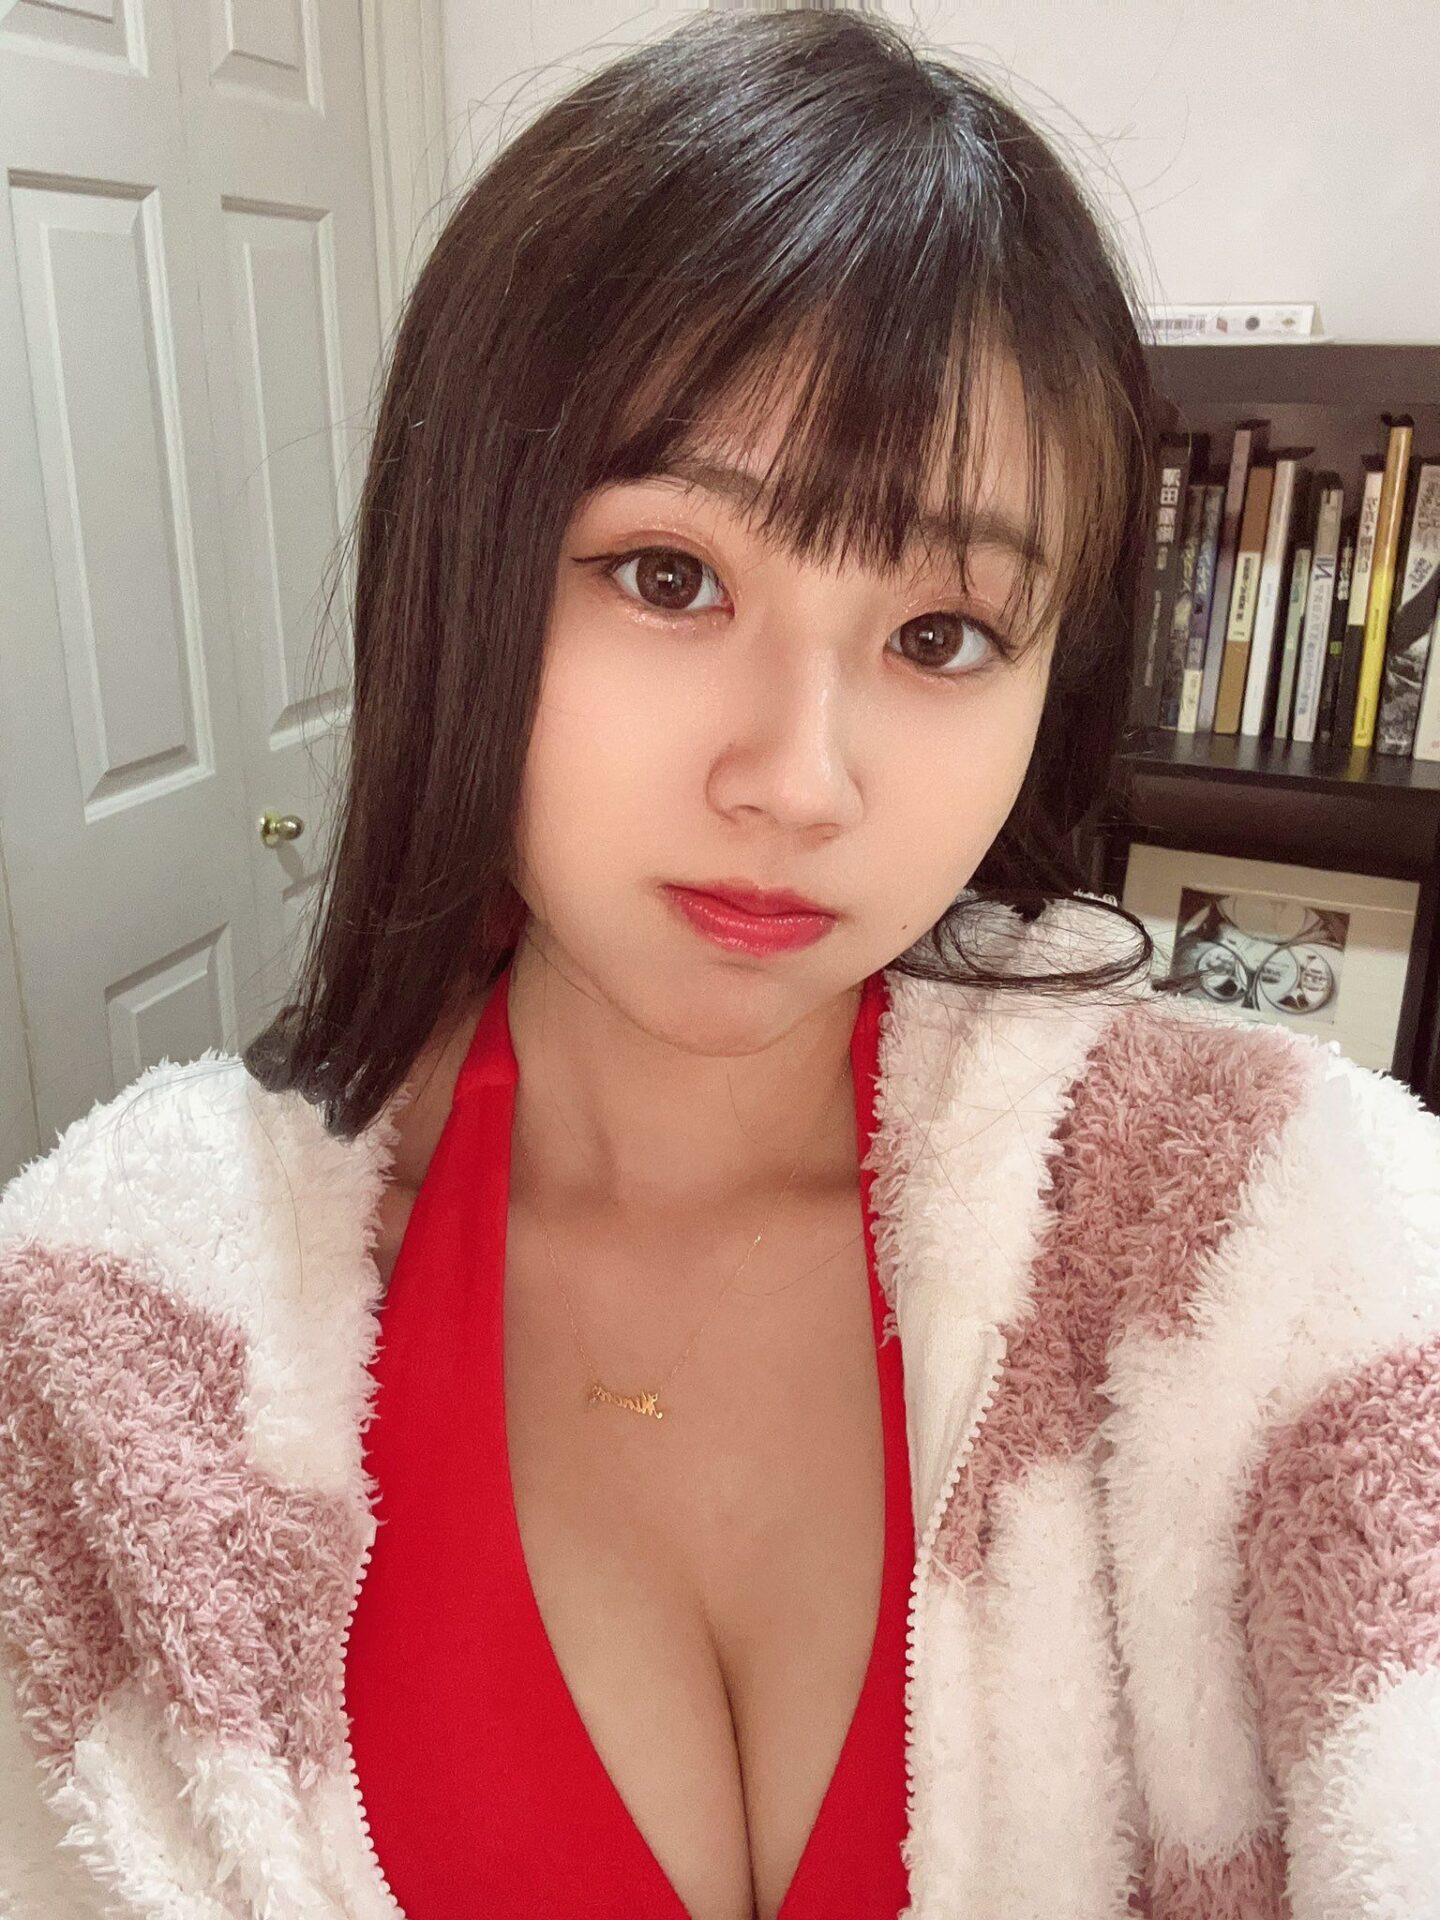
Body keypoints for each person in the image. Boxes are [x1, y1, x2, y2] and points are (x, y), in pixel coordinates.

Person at [1, 10, 1437, 1919]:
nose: (797, 781)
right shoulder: (131, 1348)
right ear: (460, 566)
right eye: (669, 576)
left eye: (941, 633)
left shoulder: (1287, 1256)